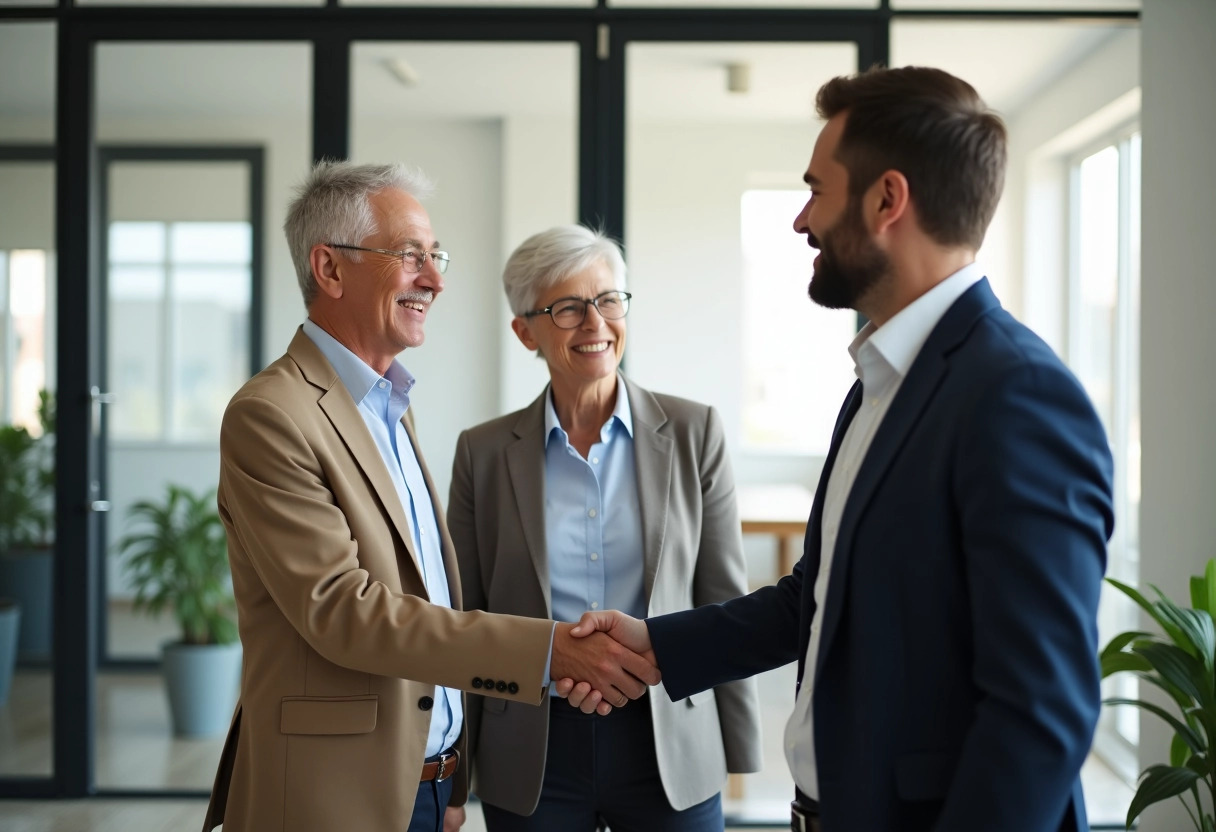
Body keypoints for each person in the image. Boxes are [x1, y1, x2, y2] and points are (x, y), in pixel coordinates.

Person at [565, 66, 1115, 832]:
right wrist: (657, 644)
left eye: (816, 190)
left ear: (888, 200)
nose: (801, 221)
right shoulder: (877, 384)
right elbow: (817, 600)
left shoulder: (1016, 395)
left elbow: (1040, 712)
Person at [200, 161, 660, 832]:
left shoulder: (391, 407)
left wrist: (453, 777)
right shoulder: (272, 414)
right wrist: (549, 650)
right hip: (334, 796)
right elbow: (343, 612)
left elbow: (433, 600)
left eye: (434, 256)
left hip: (424, 782)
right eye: (410, 256)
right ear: (329, 270)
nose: (435, 280)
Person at [447, 225, 761, 831]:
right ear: (525, 331)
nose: (595, 323)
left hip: (670, 735)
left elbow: (723, 596)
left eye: (608, 300)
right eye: (567, 308)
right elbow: (468, 613)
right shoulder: (482, 453)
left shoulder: (695, 432)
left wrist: (739, 748)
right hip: (533, 748)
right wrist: (457, 775)